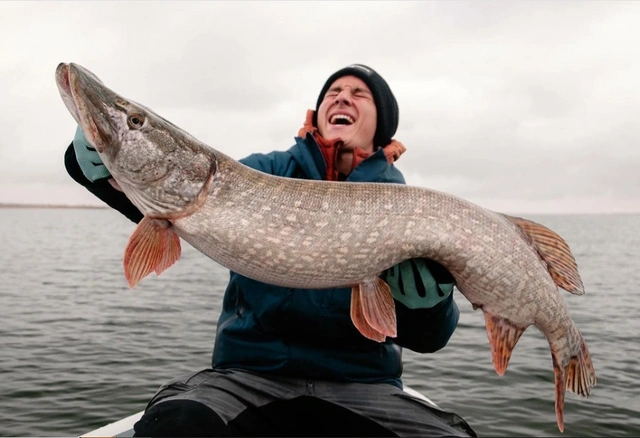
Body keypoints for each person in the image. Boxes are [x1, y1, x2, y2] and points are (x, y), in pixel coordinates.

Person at [64, 64, 477, 437]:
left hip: (365, 387)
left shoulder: (401, 201)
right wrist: (98, 168)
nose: (342, 97)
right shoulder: (262, 172)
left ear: (380, 124)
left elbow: (430, 337)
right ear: (317, 113)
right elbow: (178, 194)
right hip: (247, 377)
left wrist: (429, 307)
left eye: (359, 93)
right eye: (333, 91)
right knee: (176, 427)